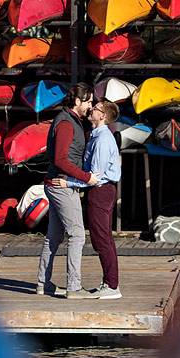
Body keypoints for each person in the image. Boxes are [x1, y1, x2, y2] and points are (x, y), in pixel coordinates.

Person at [38, 83, 100, 298]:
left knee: (53, 237)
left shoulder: (72, 120)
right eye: (89, 101)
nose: (91, 106)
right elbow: (61, 159)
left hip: (54, 183)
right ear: (77, 101)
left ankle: (42, 283)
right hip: (61, 186)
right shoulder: (66, 123)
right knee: (77, 236)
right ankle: (73, 287)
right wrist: (86, 178)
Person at [70, 99, 123, 299]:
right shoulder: (97, 136)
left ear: (103, 116)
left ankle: (111, 285)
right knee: (103, 239)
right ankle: (110, 283)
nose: (91, 109)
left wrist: (69, 183)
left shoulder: (102, 139)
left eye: (96, 108)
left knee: (102, 240)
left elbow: (95, 175)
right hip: (102, 191)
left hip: (100, 191)